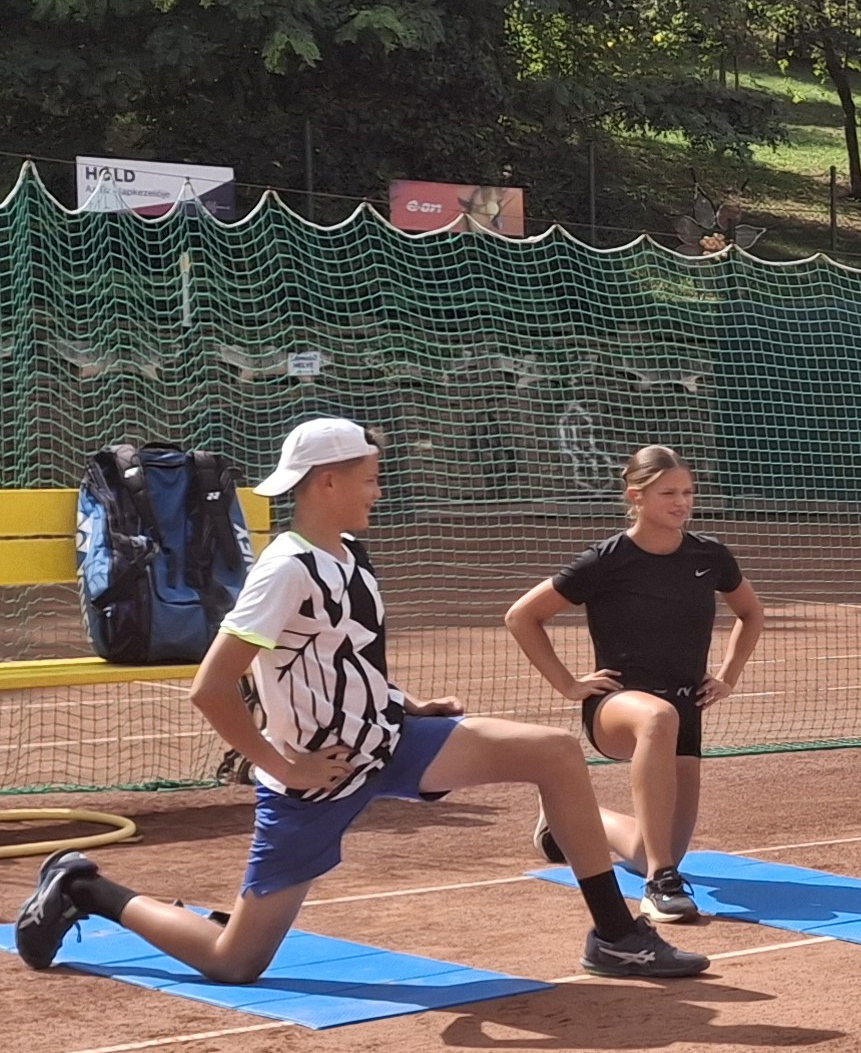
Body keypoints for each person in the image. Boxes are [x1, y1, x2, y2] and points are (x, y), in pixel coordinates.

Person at [15, 417, 707, 982]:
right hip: (319, 776)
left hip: (388, 740)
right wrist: (287, 769)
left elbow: (342, 656)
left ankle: (616, 935)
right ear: (328, 481)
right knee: (237, 963)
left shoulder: (348, 555)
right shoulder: (284, 569)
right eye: (370, 478)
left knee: (554, 753)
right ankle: (87, 889)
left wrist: (406, 704)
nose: (378, 491)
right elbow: (214, 686)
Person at [501, 445, 767, 924]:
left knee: (651, 846)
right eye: (668, 492)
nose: (682, 502)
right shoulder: (607, 559)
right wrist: (568, 684)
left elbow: (750, 613)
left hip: (686, 711)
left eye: (688, 492)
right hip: (617, 708)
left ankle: (564, 820)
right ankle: (659, 884)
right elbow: (522, 616)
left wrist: (727, 676)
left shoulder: (709, 556)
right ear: (636, 496)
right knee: (656, 717)